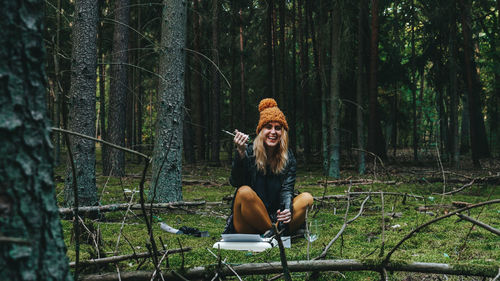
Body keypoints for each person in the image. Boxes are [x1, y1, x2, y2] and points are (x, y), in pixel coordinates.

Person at [223, 98, 314, 236]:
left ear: (282, 133)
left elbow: (287, 191)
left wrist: (287, 210)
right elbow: (236, 182)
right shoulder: (248, 151)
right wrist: (240, 153)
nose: (273, 132)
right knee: (244, 191)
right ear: (261, 130)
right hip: (248, 222)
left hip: (276, 218)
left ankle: (271, 233)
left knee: (307, 198)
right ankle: (276, 235)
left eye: (278, 128)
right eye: (268, 127)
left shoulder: (288, 158)